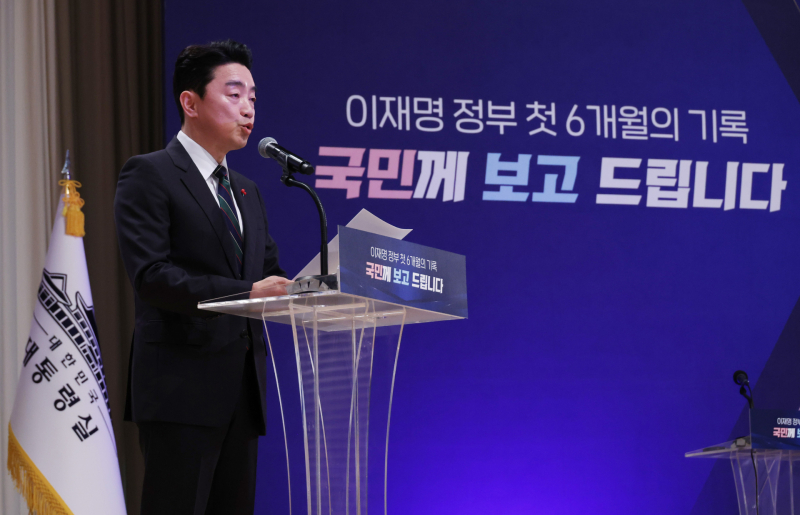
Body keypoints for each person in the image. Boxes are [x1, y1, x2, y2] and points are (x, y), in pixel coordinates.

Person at [114, 39, 291, 514]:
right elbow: (152, 276)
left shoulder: (247, 191)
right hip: (180, 392)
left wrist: (317, 290)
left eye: (252, 97)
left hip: (243, 396)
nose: (248, 108)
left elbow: (269, 275)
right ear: (190, 103)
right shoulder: (149, 174)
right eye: (234, 95)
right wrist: (247, 292)